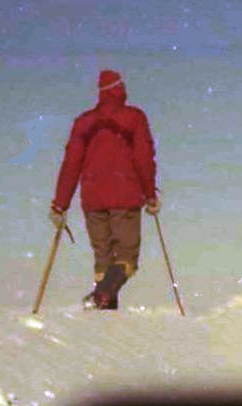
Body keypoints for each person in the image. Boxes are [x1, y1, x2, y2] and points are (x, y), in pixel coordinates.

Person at [49, 69, 161, 310]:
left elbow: (71, 164)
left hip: (92, 200)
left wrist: (60, 204)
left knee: (103, 260)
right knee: (126, 258)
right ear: (121, 89)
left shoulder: (84, 122)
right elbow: (144, 157)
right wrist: (150, 194)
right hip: (125, 196)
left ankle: (105, 317)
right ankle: (102, 297)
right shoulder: (134, 118)